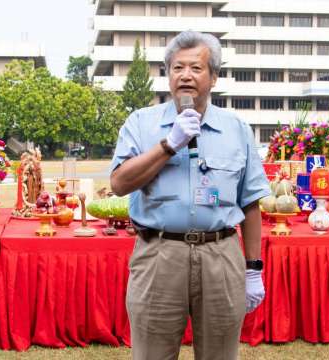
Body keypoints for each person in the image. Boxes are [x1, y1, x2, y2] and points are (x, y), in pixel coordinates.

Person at [110, 30, 270, 360]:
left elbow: (251, 202)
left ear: (214, 77)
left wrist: (253, 270)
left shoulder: (236, 129)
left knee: (220, 354)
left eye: (196, 68)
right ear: (167, 75)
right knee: (152, 353)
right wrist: (169, 144)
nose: (185, 75)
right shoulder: (141, 123)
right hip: (159, 254)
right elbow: (120, 184)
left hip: (220, 255)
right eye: (177, 68)